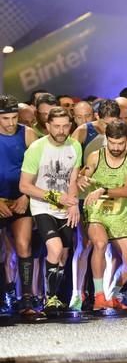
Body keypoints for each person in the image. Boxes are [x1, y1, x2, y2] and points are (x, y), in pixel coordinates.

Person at [19, 107, 81, 312]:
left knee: (62, 254)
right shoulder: (37, 148)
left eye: (65, 126)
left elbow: (73, 180)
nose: (62, 130)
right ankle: (50, 297)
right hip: (42, 205)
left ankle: (52, 295)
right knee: (54, 248)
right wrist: (54, 196)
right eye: (57, 126)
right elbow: (24, 185)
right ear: (47, 126)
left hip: (65, 208)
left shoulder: (75, 146)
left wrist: (73, 204)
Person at [78, 120, 127, 310]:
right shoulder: (96, 156)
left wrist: (102, 190)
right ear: (107, 140)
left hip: (118, 214)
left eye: (120, 143)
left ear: (126, 140)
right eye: (112, 143)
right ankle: (98, 296)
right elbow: (85, 172)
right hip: (96, 210)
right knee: (100, 243)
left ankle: (112, 294)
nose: (116, 147)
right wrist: (82, 177)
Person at [0, 95, 38, 315]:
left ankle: (26, 297)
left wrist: (27, 196)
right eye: (6, 118)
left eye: (14, 117)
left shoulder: (28, 134)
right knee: (3, 253)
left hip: (20, 199)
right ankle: (6, 292)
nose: (11, 123)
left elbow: (39, 169)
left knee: (24, 245)